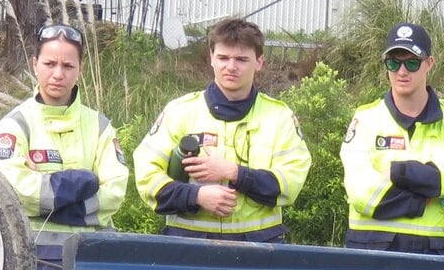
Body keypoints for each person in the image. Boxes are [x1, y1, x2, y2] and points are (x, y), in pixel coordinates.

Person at [133, 17, 311, 242]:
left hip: (259, 247)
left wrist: (234, 173)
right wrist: (196, 195)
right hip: (187, 245)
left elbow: (289, 185)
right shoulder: (179, 112)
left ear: (260, 62)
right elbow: (147, 178)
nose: (231, 67)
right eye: (223, 58)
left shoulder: (280, 117)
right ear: (211, 59)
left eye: (241, 59)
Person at [341, 22, 444, 255]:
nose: (402, 71)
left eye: (412, 62)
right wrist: (422, 199)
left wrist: (397, 173)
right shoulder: (365, 119)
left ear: (429, 64)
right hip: (375, 250)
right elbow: (361, 193)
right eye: (393, 62)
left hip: (439, 253)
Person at [0, 20, 128, 237]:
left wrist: (48, 204)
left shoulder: (100, 126)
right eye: (49, 63)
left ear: (80, 70)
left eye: (68, 66)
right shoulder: (15, 125)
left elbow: (115, 192)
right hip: (34, 253)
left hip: (90, 252)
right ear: (34, 64)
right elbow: (13, 192)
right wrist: (84, 182)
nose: (58, 74)